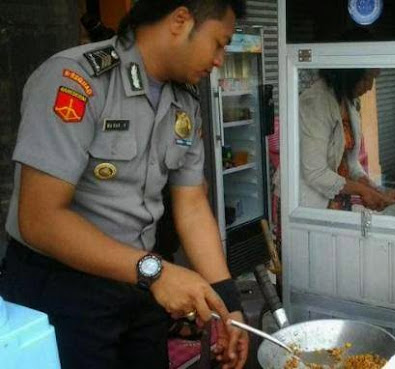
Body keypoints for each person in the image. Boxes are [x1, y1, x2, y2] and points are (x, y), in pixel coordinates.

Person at [0, 1, 249, 368]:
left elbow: (192, 205)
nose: (219, 59)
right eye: (219, 42)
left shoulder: (185, 101)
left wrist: (229, 307)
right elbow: (40, 219)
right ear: (180, 20)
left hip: (141, 288)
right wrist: (157, 272)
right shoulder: (76, 80)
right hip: (61, 290)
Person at [299, 68, 395, 211]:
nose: (370, 87)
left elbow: (350, 164)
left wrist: (377, 191)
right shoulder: (315, 102)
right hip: (306, 203)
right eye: (366, 79)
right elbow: (315, 173)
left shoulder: (347, 101)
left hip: (335, 202)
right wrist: (363, 191)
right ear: (349, 75)